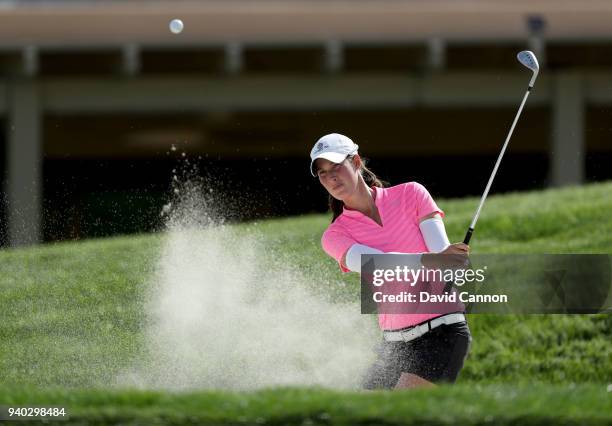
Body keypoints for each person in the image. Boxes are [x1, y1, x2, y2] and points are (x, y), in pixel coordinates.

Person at [310, 133, 472, 390]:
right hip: (394, 346)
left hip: (440, 335)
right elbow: (376, 264)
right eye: (322, 173)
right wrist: (434, 260)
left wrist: (451, 260)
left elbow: (441, 252)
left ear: (356, 162)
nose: (330, 177)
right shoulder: (334, 235)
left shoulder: (411, 193)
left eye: (336, 167)